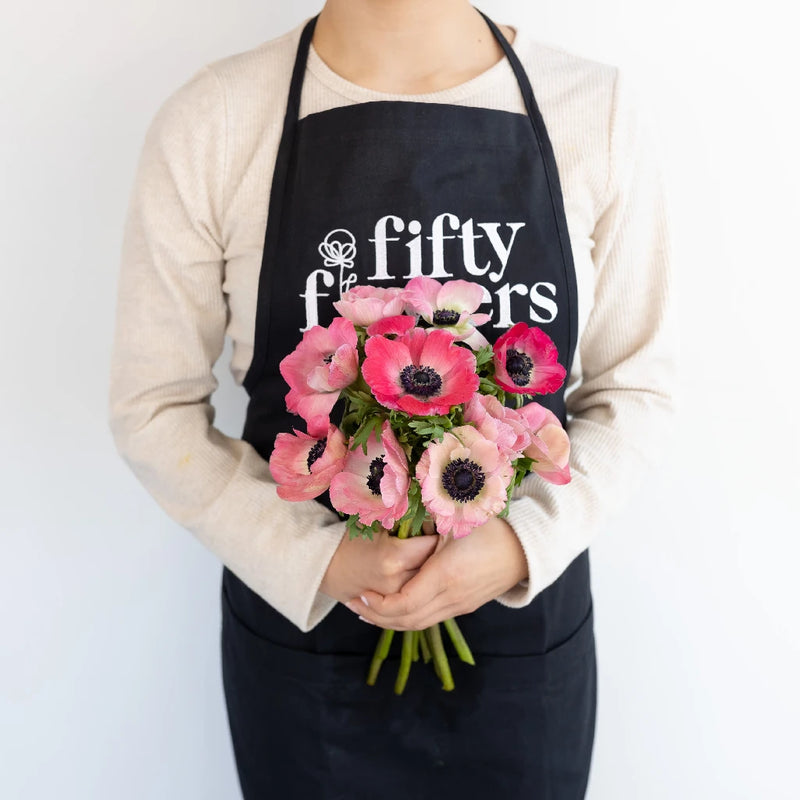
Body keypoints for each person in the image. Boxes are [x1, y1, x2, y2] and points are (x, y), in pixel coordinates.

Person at [108, 1, 675, 797]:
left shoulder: (592, 110)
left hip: (523, 650)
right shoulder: (219, 119)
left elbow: (637, 388)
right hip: (305, 656)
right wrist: (321, 557)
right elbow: (151, 404)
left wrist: (521, 548)